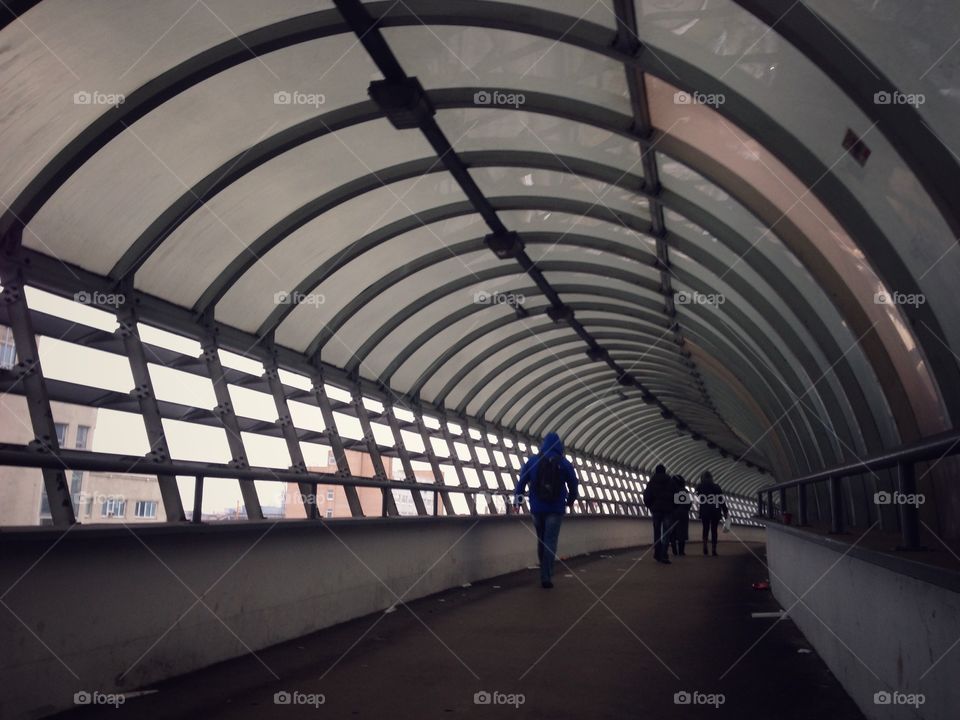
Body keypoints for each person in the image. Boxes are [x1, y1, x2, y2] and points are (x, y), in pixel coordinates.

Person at [514, 432, 578, 588]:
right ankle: (546, 576)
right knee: (550, 541)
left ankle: (543, 570)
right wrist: (569, 501)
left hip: (536, 508)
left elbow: (521, 482)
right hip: (555, 509)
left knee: (541, 540)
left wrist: (517, 501)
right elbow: (573, 485)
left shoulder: (533, 461)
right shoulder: (564, 463)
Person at [642, 464, 676, 564]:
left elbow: (647, 496)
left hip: (656, 510)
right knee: (666, 532)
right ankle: (664, 554)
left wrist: (651, 506)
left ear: (656, 471)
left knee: (657, 532)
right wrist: (673, 507)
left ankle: (657, 553)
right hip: (668, 511)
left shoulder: (651, 482)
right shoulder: (671, 482)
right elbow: (676, 496)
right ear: (665, 471)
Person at [696, 471, 729, 556]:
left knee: (705, 529)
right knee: (714, 530)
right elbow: (721, 500)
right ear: (711, 478)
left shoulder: (700, 487)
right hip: (715, 511)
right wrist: (725, 511)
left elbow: (698, 495)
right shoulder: (716, 487)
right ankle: (714, 549)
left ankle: (705, 545)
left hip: (704, 511)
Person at [669, 475, 691, 557]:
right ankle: (681, 551)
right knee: (682, 532)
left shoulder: (671, 491)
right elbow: (688, 504)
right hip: (683, 514)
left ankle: (674, 549)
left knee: (673, 532)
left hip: (673, 513)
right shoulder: (684, 491)